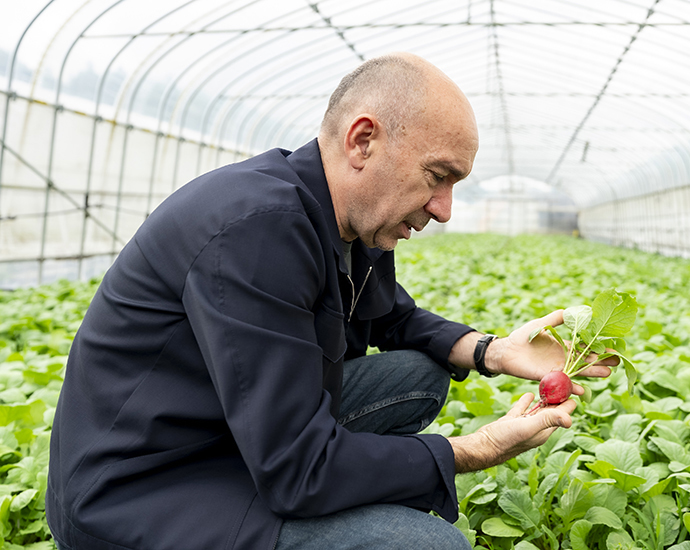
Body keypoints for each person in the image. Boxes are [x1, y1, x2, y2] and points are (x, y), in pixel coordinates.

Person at [46, 53, 612, 550]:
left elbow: (395, 316)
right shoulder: (258, 230)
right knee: (422, 546)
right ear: (362, 141)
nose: (443, 210)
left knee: (420, 373)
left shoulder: (348, 220)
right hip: (145, 486)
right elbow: (298, 469)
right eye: (438, 177)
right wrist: (474, 448)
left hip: (234, 434)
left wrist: (496, 351)